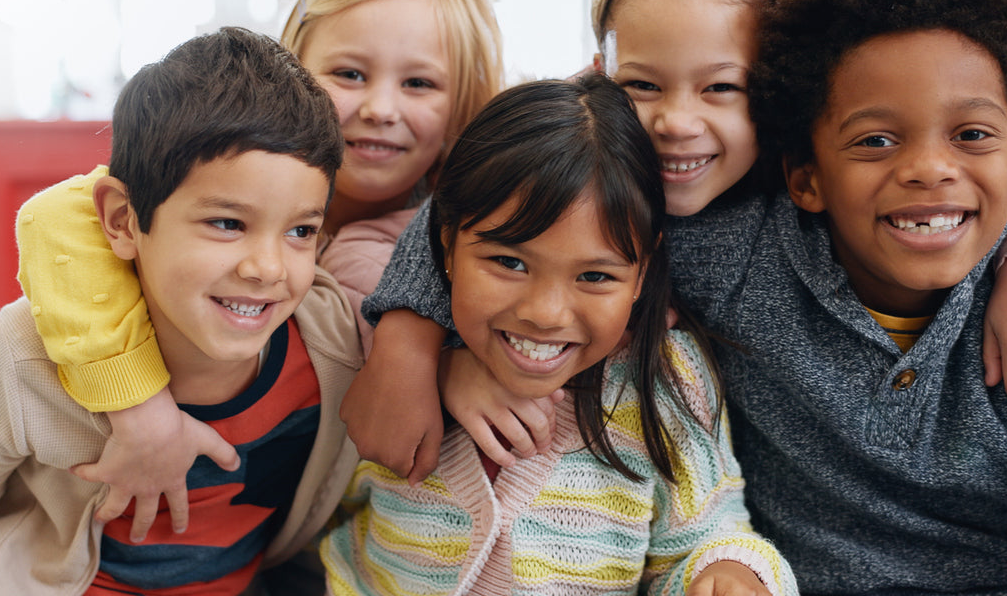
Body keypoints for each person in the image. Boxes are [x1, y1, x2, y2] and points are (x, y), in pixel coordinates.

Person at [369, 0, 1007, 592]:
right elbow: (505, 201)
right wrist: (415, 340)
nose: (927, 169)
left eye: (968, 137)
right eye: (875, 140)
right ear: (805, 172)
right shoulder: (729, 247)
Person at [12, 0, 505, 542]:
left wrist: (440, 362)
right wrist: (137, 406)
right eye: (349, 74)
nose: (379, 108)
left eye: (420, 83)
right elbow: (58, 215)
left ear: (466, 103)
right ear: (294, 73)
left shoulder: (461, 234)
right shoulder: (212, 178)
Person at [0, 27, 362, 595]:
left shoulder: (333, 346)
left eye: (300, 231)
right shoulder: (25, 356)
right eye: (227, 223)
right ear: (122, 221)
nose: (267, 267)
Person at [321, 74, 797, 596]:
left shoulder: (669, 381)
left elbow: (707, 536)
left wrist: (726, 574)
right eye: (508, 261)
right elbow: (328, 508)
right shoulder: (393, 364)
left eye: (595, 276)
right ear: (447, 244)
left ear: (642, 273)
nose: (545, 314)